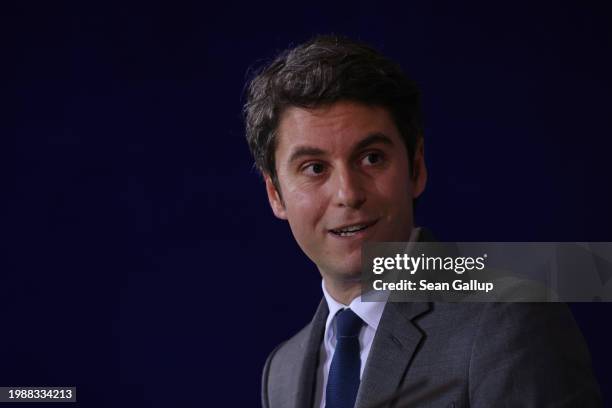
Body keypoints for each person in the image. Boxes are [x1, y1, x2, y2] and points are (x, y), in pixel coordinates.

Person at [243, 35, 602, 408]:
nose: (348, 194)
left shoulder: (512, 317)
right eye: (314, 168)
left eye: (371, 158)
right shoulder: (281, 371)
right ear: (275, 194)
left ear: (416, 169)